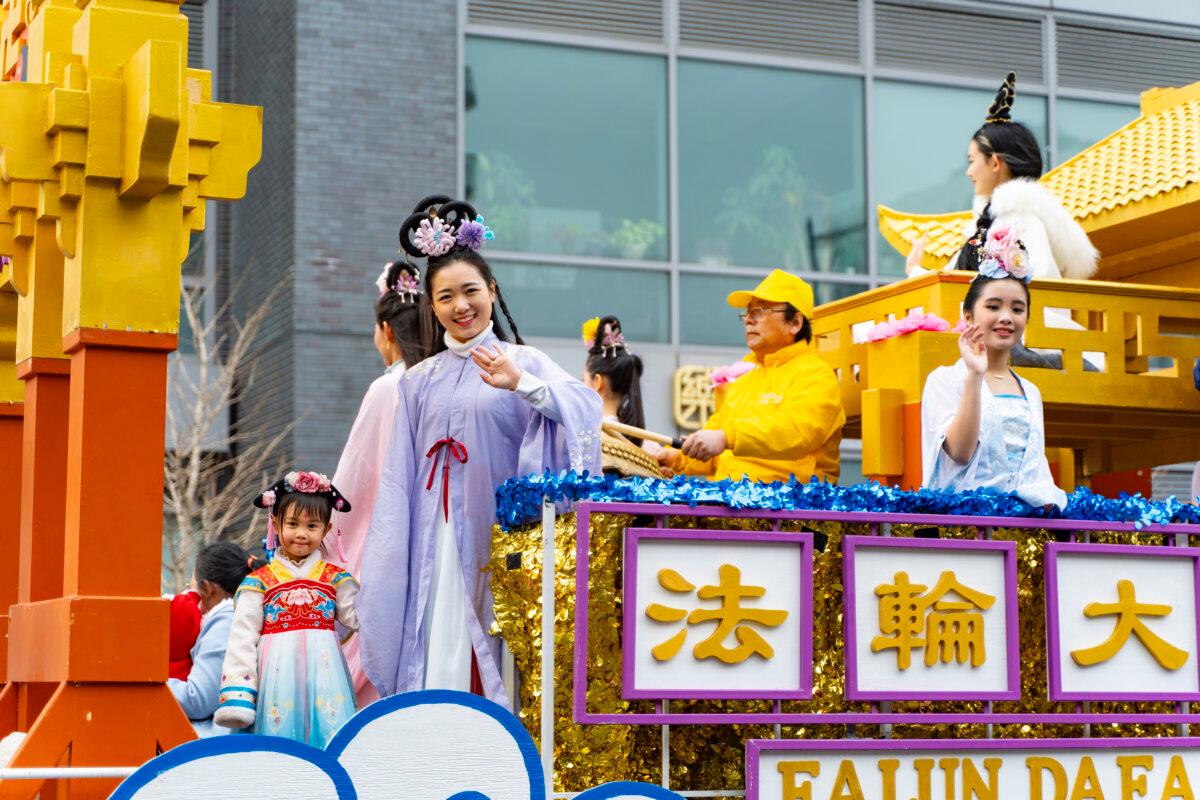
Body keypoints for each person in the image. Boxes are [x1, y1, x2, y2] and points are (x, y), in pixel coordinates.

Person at [358, 197, 601, 705]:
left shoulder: (523, 360)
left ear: (491, 290)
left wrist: (525, 386)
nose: (460, 306)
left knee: (495, 653)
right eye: (445, 296)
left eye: (471, 290)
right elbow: (398, 476)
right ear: (431, 304)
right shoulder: (417, 382)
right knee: (432, 633)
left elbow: (585, 409)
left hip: (497, 539)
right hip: (432, 539)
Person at [905, 72, 1099, 370]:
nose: (969, 172)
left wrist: (918, 273)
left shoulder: (1022, 217)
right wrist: (918, 273)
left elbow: (1031, 285)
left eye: (972, 161)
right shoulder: (990, 223)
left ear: (994, 162)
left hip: (1023, 344)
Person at [333, 258, 431, 707]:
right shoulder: (437, 383)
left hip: (387, 540)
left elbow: (353, 484)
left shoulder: (388, 388)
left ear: (387, 332)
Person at [921, 230, 1067, 510]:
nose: (1006, 318)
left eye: (1017, 309)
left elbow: (1036, 472)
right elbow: (960, 453)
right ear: (968, 315)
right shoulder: (945, 379)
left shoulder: (1031, 391)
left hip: (1026, 530)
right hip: (967, 528)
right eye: (993, 306)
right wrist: (975, 375)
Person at [656, 269, 845, 483]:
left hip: (790, 505)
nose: (749, 320)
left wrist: (726, 438)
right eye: (748, 312)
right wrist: (675, 458)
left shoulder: (816, 374)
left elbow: (798, 432)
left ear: (795, 323)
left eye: (761, 311)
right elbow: (717, 445)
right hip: (732, 501)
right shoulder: (746, 372)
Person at [214, 472, 359, 747]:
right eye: (292, 523)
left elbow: (363, 619)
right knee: (276, 758)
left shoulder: (337, 579)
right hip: (275, 681)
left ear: (327, 529)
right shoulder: (259, 583)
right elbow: (241, 639)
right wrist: (239, 697)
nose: (301, 533)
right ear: (275, 524)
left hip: (327, 682)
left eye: (312, 525)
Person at [168, 542, 266, 736]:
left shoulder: (226, 621)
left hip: (219, 743)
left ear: (208, 589)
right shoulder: (237, 616)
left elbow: (198, 700)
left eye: (193, 587)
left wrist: (154, 684)